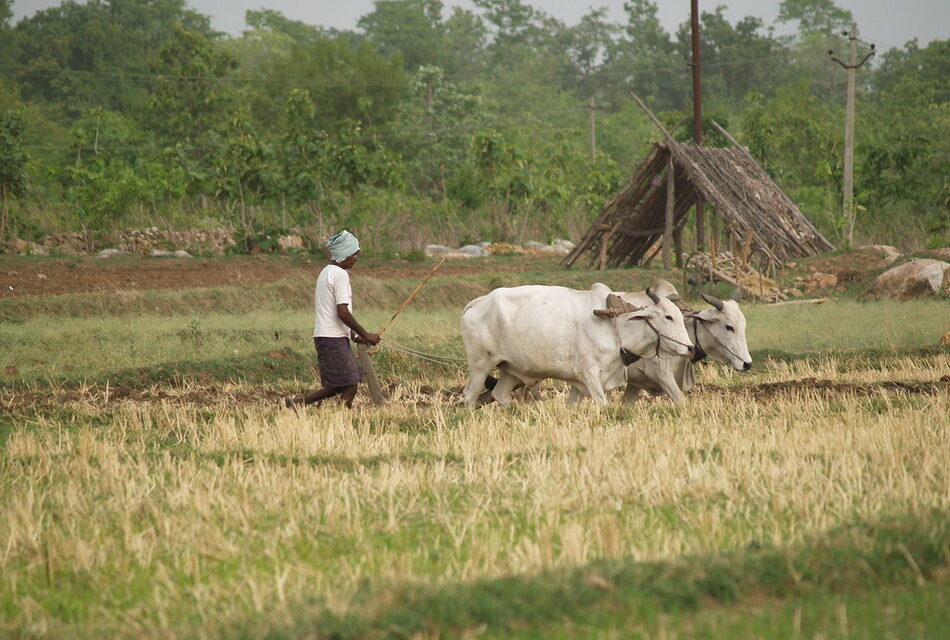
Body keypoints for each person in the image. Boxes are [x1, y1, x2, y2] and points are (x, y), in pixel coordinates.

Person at [285, 230, 380, 409]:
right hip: (332, 338)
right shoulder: (340, 274)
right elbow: (342, 312)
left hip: (329, 336)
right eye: (354, 254)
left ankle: (297, 404)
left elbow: (333, 310)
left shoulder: (326, 272)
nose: (356, 259)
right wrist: (366, 334)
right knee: (350, 382)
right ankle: (342, 416)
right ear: (344, 254)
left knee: (339, 384)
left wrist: (353, 336)